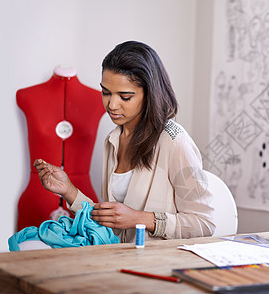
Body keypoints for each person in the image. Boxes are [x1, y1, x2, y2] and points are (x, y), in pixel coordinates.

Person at [34, 41, 216, 243]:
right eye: (106, 92)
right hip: (120, 258)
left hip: (158, 265)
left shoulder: (174, 140)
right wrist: (69, 190)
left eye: (125, 96)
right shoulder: (113, 140)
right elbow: (113, 220)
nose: (111, 105)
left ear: (149, 94)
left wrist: (140, 219)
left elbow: (204, 223)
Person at [16, 66, 103, 230]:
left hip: (82, 195)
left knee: (85, 254)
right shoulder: (26, 95)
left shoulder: (98, 98)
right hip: (37, 196)